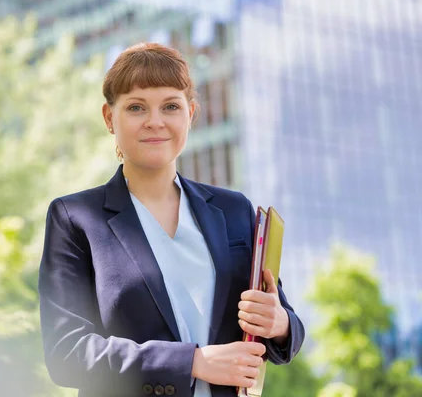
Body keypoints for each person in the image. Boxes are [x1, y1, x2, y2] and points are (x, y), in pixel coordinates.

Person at [38, 42, 305, 397]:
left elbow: (288, 331)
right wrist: (192, 362)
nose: (155, 121)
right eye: (136, 107)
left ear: (190, 114)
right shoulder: (75, 219)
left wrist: (279, 323)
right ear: (109, 118)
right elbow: (67, 353)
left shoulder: (234, 210)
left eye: (171, 106)